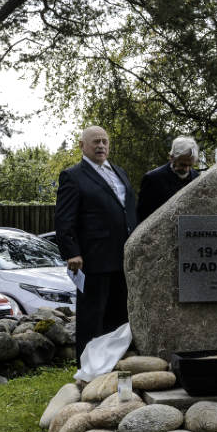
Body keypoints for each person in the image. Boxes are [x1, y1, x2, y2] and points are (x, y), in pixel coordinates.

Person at [51, 125, 138, 353]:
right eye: (95, 142)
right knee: (93, 317)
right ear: (82, 146)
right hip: (94, 258)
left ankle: (115, 364)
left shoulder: (120, 172)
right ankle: (87, 371)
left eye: (104, 142)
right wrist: (71, 251)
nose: (101, 146)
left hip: (124, 257)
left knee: (119, 314)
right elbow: (63, 219)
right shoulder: (73, 176)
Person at [136, 136, 200, 222]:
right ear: (171, 157)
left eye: (190, 165)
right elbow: (142, 215)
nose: (186, 169)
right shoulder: (153, 179)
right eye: (183, 165)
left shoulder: (196, 178)